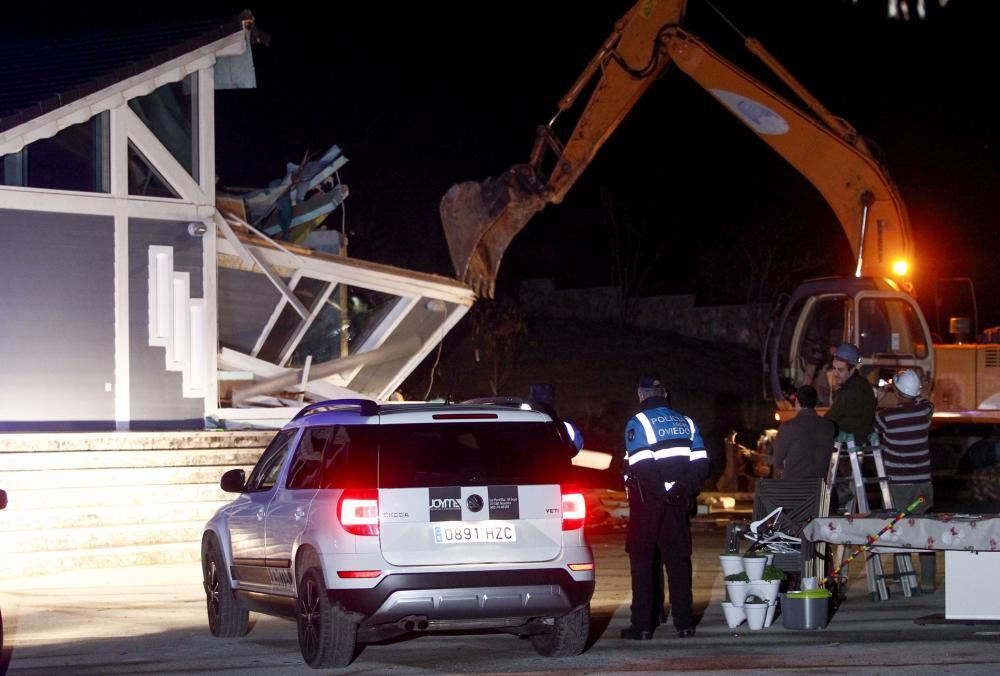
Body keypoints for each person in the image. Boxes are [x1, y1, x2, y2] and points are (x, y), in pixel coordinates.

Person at [620, 374, 709, 640]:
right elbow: (701, 463)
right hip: (678, 503)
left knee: (643, 561)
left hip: (649, 503)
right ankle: (684, 624)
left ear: (641, 395)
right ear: (665, 394)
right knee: (678, 562)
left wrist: (662, 492)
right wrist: (679, 490)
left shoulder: (639, 422)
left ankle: (643, 626)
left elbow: (642, 465)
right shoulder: (687, 422)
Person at [875, 369, 936, 591]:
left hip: (899, 484)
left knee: (899, 528)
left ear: (898, 392)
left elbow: (872, 428)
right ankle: (928, 581)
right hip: (923, 483)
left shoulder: (886, 417)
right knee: (924, 529)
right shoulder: (923, 414)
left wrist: (878, 399)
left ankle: (903, 576)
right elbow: (928, 404)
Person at [824, 342, 877, 511]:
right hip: (858, 440)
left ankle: (837, 497)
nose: (836, 374)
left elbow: (829, 419)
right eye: (835, 369)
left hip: (848, 445)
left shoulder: (848, 392)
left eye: (841, 371)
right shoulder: (863, 385)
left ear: (853, 369)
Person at [772, 385, 836, 480]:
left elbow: (777, 461)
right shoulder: (829, 426)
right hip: (818, 487)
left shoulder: (787, 427)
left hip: (792, 486)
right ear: (815, 402)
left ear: (797, 401)